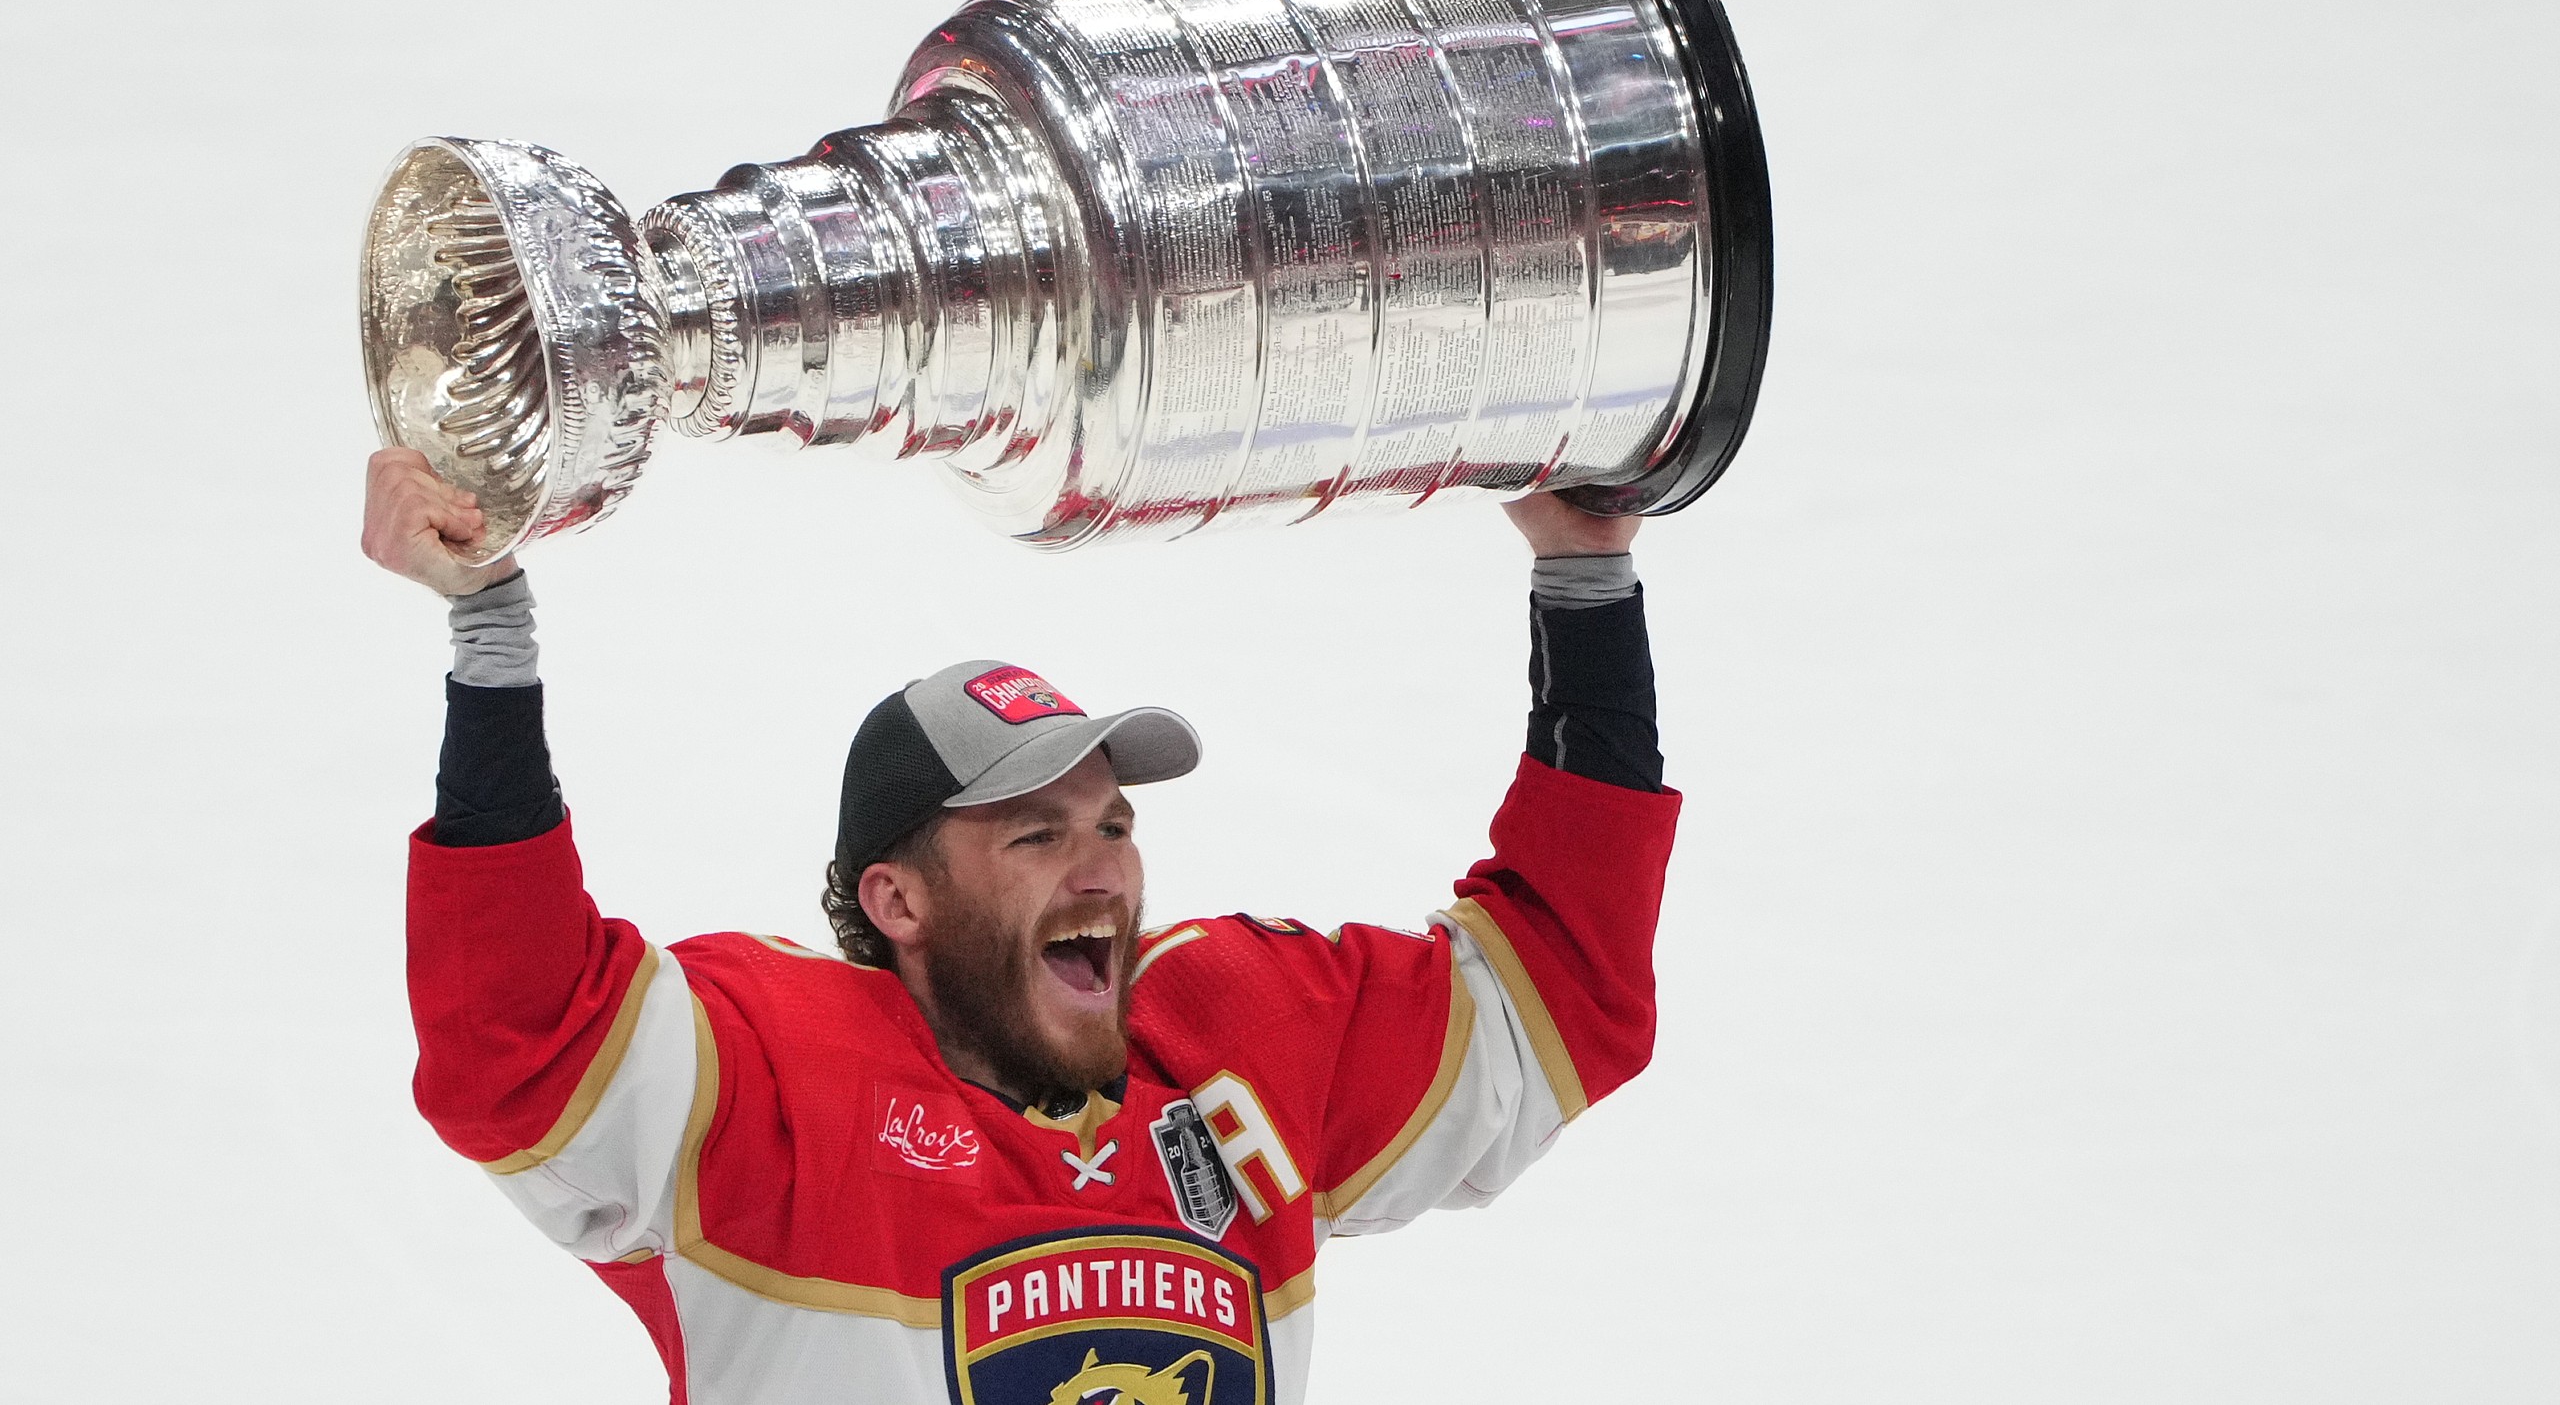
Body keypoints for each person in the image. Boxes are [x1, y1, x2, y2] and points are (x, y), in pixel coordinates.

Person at [364, 444, 1681, 1405]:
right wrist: (492, 633)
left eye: (1112, 825)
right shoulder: (769, 1096)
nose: (1101, 870)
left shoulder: (1243, 1047)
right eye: (1036, 836)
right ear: (899, 902)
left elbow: (1554, 994)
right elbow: (518, 1035)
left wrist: (1585, 578)